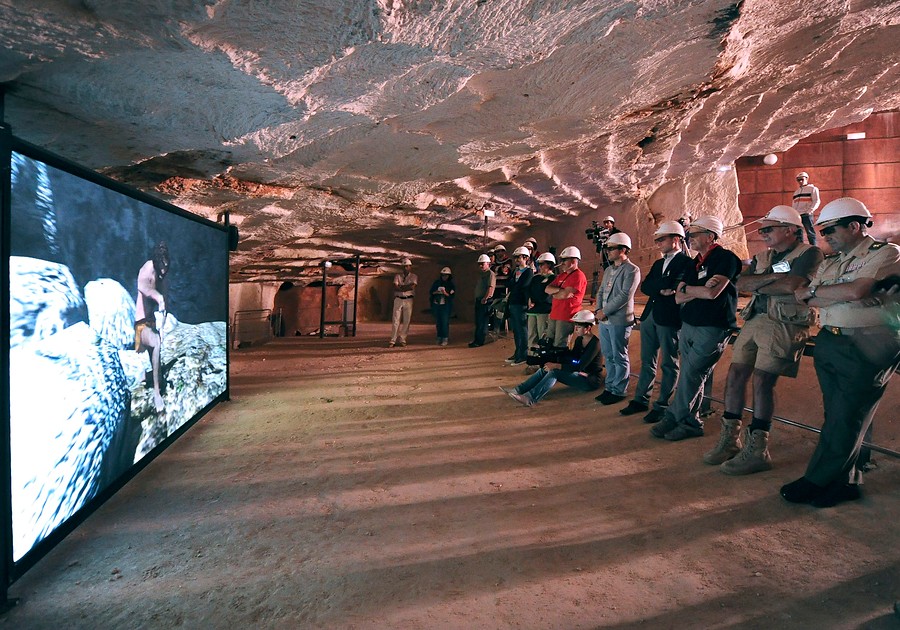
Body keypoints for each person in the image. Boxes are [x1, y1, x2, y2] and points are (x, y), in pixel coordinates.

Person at [783, 197, 900, 508]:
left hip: (868, 343)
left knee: (846, 415)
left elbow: (855, 291)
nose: (825, 236)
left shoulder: (886, 253)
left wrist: (822, 292)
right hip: (831, 340)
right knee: (839, 414)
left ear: (855, 225)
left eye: (830, 229)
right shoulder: (832, 261)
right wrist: (827, 294)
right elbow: (806, 299)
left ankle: (817, 480)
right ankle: (847, 482)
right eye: (822, 231)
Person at [705, 206, 823, 474]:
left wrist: (761, 282)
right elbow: (740, 283)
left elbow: (792, 285)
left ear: (791, 229)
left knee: (762, 380)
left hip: (784, 323)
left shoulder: (809, 253)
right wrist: (771, 279)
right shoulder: (765, 255)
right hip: (756, 318)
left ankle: (758, 449)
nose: (763, 233)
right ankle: (730, 439)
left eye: (769, 228)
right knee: (735, 375)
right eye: (762, 228)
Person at [651, 216, 742, 441]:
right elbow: (678, 298)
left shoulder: (726, 259)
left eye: (694, 234)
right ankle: (689, 420)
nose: (689, 238)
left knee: (692, 373)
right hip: (690, 323)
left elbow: (712, 293)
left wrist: (689, 289)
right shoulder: (695, 263)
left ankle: (678, 416)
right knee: (692, 375)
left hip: (713, 326)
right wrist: (696, 288)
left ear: (710, 236)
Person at [620, 221, 694, 422]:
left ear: (676, 239)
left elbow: (675, 286)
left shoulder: (687, 263)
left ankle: (662, 405)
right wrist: (662, 288)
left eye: (662, 239)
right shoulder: (659, 263)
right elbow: (646, 286)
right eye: (657, 239)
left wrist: (660, 287)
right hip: (651, 315)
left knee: (669, 363)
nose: (658, 243)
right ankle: (641, 399)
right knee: (647, 361)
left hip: (669, 318)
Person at [501, 309, 601, 406]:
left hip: (590, 380)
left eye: (578, 327)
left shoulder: (595, 344)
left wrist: (558, 365)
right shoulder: (580, 340)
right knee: (545, 368)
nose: (575, 329)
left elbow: (580, 365)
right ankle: (519, 389)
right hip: (580, 373)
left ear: (588, 328)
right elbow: (573, 358)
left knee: (554, 372)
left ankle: (530, 398)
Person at [593, 233, 640, 405]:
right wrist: (598, 309)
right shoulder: (608, 270)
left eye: (611, 248)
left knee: (619, 355)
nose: (608, 251)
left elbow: (624, 295)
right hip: (605, 319)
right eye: (607, 248)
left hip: (619, 320)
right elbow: (600, 291)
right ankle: (610, 387)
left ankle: (619, 390)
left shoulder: (632, 270)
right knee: (608, 354)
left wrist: (604, 311)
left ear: (623, 249)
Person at [135, 241, 170, 412]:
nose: (163, 272)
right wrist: (159, 298)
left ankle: (149, 377)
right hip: (141, 324)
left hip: (152, 322)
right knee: (155, 344)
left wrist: (163, 314)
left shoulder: (161, 272)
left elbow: (164, 296)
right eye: (161, 268)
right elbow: (142, 287)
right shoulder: (147, 269)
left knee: (156, 351)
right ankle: (157, 393)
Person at [545, 246, 587, 348]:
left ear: (573, 261)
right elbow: (547, 289)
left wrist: (556, 293)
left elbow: (565, 294)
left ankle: (561, 364)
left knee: (560, 345)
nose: (561, 263)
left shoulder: (578, 276)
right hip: (555, 314)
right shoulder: (562, 275)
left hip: (566, 316)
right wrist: (560, 291)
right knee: (549, 342)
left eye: (564, 260)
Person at [526, 252, 557, 369]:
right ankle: (532, 360)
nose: (539, 266)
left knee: (542, 336)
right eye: (539, 264)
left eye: (542, 264)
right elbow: (529, 290)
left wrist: (536, 300)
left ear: (549, 265)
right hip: (532, 310)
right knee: (531, 335)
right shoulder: (536, 278)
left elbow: (545, 294)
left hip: (544, 310)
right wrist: (529, 300)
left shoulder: (553, 278)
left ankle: (542, 362)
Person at [505, 246, 534, 365]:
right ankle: (517, 353)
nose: (516, 259)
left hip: (521, 304)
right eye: (515, 257)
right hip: (513, 302)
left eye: (519, 257)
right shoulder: (515, 271)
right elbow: (510, 284)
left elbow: (522, 286)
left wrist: (514, 285)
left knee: (522, 330)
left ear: (526, 258)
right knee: (516, 330)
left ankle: (523, 355)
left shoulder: (528, 272)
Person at [389, 258, 417, 347]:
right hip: (398, 299)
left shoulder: (414, 276)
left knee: (406, 320)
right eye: (404, 266)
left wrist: (401, 287)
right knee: (395, 320)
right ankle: (393, 339)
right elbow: (394, 286)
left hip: (408, 299)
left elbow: (412, 287)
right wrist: (405, 287)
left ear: (410, 267)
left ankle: (403, 339)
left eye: (407, 266)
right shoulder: (397, 276)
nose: (405, 268)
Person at [469, 253, 496, 348]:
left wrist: (485, 298)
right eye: (479, 264)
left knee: (482, 322)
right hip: (479, 300)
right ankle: (477, 340)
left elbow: (490, 287)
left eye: (482, 263)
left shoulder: (490, 274)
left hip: (485, 301)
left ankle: (480, 341)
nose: (480, 265)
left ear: (488, 263)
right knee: (478, 322)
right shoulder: (482, 274)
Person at [792, 171, 821, 245]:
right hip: (797, 216)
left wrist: (810, 211)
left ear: (807, 179)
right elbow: (794, 204)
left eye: (802, 179)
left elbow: (816, 201)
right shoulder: (796, 192)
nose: (800, 181)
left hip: (806, 214)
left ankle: (814, 249)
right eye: (798, 180)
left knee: (810, 233)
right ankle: (800, 250)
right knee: (798, 234)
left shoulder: (812, 189)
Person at [490, 245, 512, 338]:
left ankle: (497, 330)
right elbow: (493, 270)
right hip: (495, 289)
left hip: (504, 289)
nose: (499, 253)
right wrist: (498, 268)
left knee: (500, 309)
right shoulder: (494, 263)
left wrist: (498, 269)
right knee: (494, 309)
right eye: (497, 252)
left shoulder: (508, 261)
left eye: (501, 251)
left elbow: (505, 271)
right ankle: (496, 329)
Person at [430, 267, 455, 346]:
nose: (444, 277)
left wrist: (445, 293)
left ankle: (445, 337)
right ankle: (439, 336)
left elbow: (451, 295)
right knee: (438, 322)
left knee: (444, 322)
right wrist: (436, 292)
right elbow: (431, 292)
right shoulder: (436, 283)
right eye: (443, 275)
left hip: (445, 306)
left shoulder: (451, 285)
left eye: (446, 275)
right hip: (437, 305)